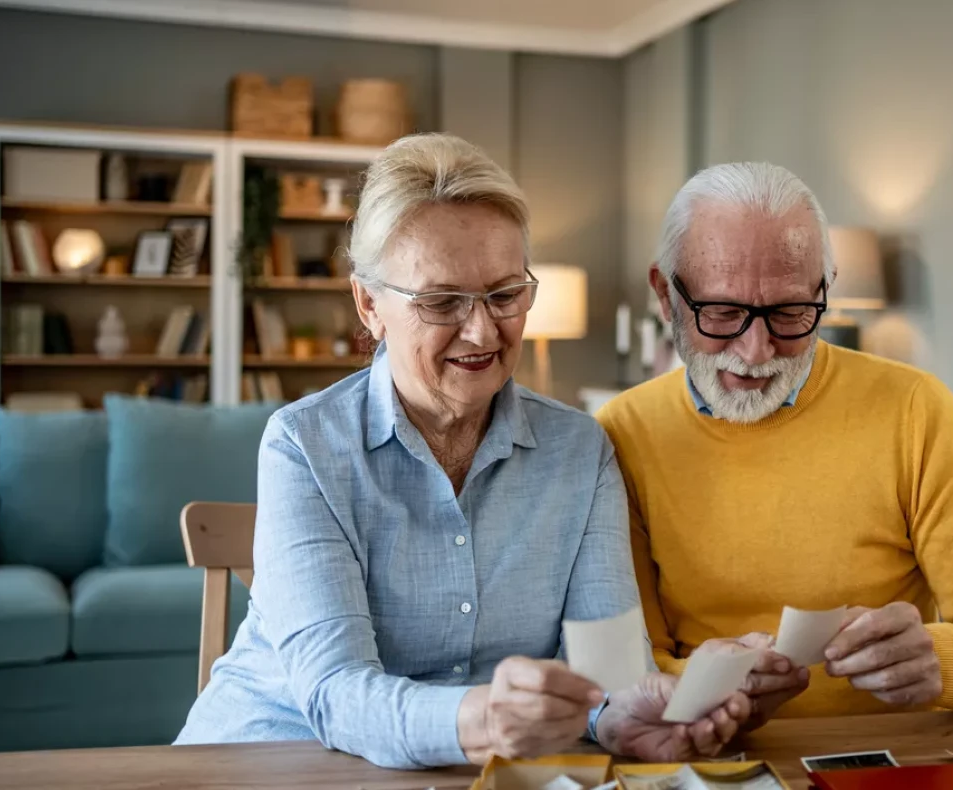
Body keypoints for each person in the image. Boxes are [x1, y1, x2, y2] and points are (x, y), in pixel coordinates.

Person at [175, 134, 748, 768]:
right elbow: (335, 693)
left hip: (474, 771)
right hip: (274, 758)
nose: (480, 332)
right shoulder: (304, 446)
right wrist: (483, 717)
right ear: (369, 305)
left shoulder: (579, 451)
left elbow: (605, 671)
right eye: (441, 302)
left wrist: (624, 718)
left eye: (504, 295)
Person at [596, 162, 953, 729]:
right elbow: (629, 664)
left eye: (791, 312)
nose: (756, 350)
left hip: (887, 757)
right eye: (722, 312)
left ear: (826, 289)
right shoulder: (622, 432)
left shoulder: (914, 409)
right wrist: (704, 684)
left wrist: (942, 658)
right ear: (666, 296)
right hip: (706, 753)